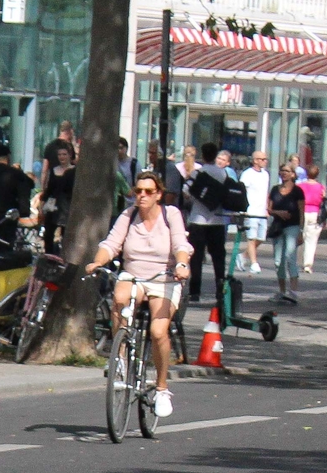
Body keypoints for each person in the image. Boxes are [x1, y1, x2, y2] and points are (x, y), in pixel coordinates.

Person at [86, 170, 191, 418]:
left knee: (158, 331)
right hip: (133, 274)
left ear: (159, 195)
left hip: (164, 278)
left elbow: (180, 244)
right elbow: (111, 244)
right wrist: (97, 262)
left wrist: (182, 264)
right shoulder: (129, 214)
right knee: (120, 297)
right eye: (138, 191)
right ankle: (120, 357)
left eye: (148, 192)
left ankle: (162, 388)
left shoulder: (170, 214)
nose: (141, 196)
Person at [181, 144, 242, 306]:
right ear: (216, 156)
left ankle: (195, 291)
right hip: (218, 220)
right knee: (218, 257)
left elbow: (186, 191)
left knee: (196, 257)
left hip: (198, 219)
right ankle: (220, 290)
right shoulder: (222, 173)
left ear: (203, 154)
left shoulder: (198, 172)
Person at [269, 165, 305, 303]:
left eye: (287, 171)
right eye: (282, 171)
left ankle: (294, 291)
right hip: (278, 226)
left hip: (293, 226)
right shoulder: (275, 189)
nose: (284, 173)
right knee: (278, 260)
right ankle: (282, 291)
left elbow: (302, 211)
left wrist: (301, 231)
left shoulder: (297, 191)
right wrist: (279, 213)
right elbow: (270, 209)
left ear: (293, 174)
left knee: (290, 257)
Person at [240, 150, 273, 273]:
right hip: (251, 210)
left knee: (261, 237)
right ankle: (254, 263)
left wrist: (267, 208)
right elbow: (242, 192)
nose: (265, 161)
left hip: (262, 211)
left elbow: (266, 192)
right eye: (262, 159)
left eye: (265, 159)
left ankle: (243, 256)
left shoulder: (265, 174)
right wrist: (243, 209)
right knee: (251, 238)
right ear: (255, 160)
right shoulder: (247, 174)